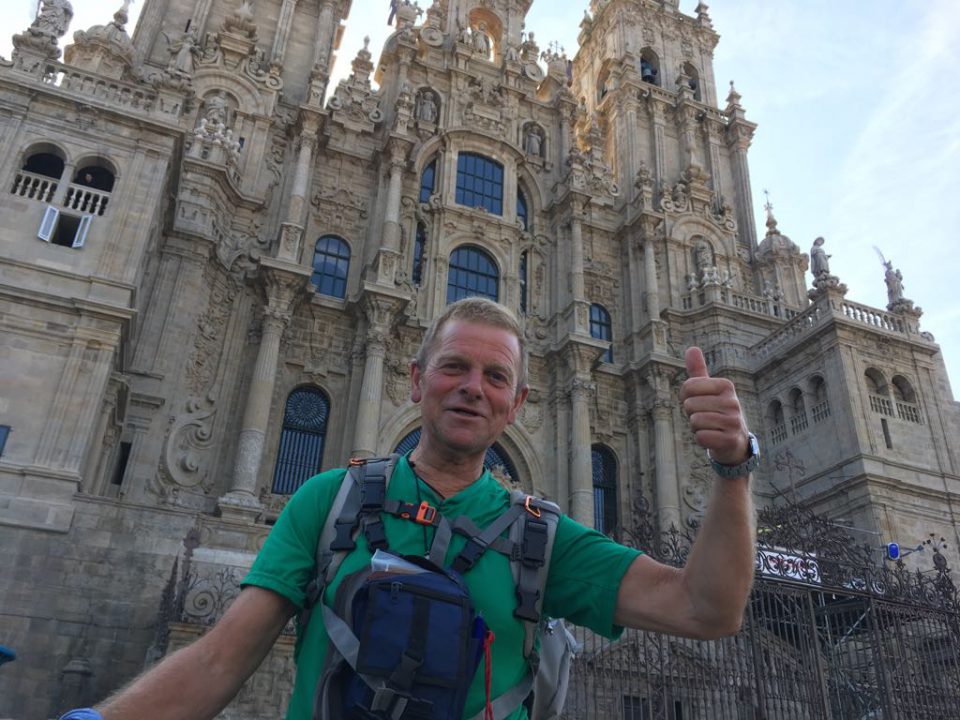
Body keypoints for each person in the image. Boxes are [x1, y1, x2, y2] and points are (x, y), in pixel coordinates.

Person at [62, 297, 756, 720]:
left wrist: (732, 470)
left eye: (495, 377)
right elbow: (218, 662)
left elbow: (706, 609)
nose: (472, 389)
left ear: (517, 405)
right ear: (417, 378)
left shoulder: (544, 541)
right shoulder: (326, 503)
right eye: (454, 367)